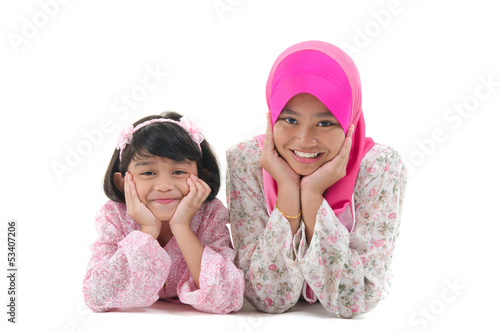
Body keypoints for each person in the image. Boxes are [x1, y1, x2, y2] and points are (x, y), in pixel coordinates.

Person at [226, 41, 407, 318]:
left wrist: (311, 197)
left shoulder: (379, 166)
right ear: (271, 116)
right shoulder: (248, 161)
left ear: (349, 121)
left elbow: (355, 300)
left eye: (325, 123)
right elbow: (266, 297)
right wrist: (287, 188)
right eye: (289, 120)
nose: (304, 140)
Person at [83, 111, 244, 314]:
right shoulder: (113, 216)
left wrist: (182, 226)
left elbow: (229, 298)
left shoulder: (210, 215)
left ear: (201, 177)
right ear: (123, 182)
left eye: (178, 172)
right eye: (148, 173)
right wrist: (147, 229)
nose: (164, 185)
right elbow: (96, 294)